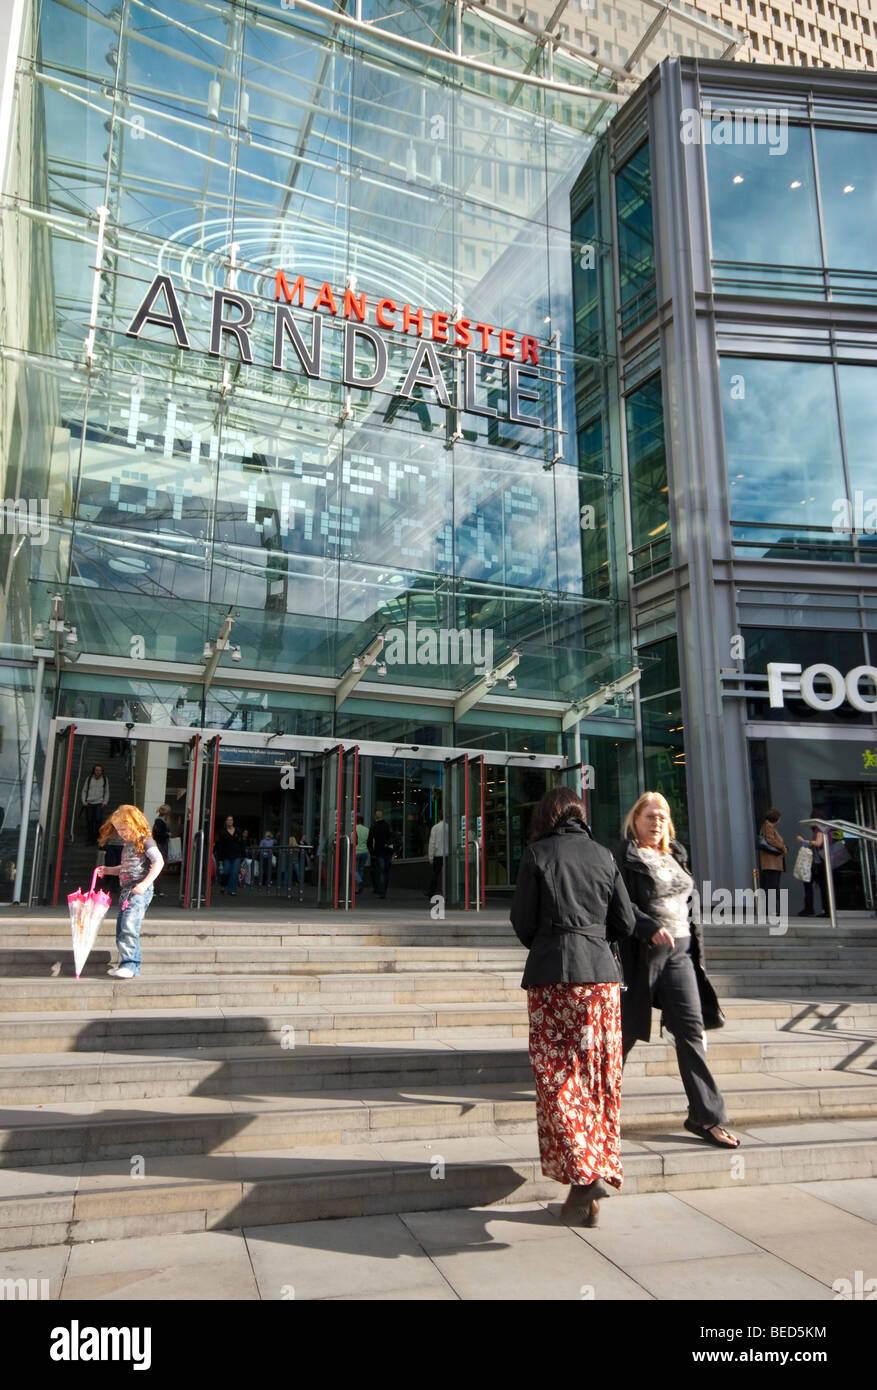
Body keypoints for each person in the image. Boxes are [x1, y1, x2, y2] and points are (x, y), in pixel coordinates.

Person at [511, 786, 635, 1228]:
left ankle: (584, 1174)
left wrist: (551, 943)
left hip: (552, 979)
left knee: (555, 1074)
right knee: (597, 1078)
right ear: (580, 815)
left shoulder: (536, 854)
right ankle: (592, 1176)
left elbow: (522, 922)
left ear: (545, 815)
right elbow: (627, 922)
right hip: (601, 981)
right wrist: (593, 941)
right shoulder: (604, 855)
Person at [613, 792, 739, 1150]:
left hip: (681, 950)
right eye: (650, 815)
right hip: (645, 952)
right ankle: (597, 1105)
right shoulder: (623, 855)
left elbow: (688, 902)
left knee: (691, 1030)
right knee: (627, 1030)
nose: (657, 822)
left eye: (663, 816)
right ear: (635, 819)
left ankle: (705, 1116)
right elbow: (618, 902)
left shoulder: (675, 853)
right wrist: (646, 925)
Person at [96, 805, 164, 978]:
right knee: (123, 926)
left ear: (135, 823)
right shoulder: (128, 845)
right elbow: (126, 867)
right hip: (128, 891)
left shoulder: (145, 840)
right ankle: (127, 963)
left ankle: (131, 964)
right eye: (118, 829)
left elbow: (159, 862)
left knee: (129, 924)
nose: (121, 833)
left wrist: (145, 884)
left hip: (139, 890)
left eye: (124, 829)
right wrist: (109, 870)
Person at [797, 822, 828, 916]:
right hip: (823, 863)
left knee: (809, 885)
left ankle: (810, 909)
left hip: (819, 864)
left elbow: (818, 843)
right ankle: (826, 909)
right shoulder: (829, 830)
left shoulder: (820, 830)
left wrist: (804, 841)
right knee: (824, 887)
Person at [758, 807, 786, 896]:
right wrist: (782, 847)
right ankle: (772, 908)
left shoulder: (768, 826)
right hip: (771, 862)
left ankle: (773, 908)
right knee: (772, 886)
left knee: (773, 886)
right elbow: (770, 840)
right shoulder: (769, 826)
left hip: (772, 862)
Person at [367, 810, 394, 900]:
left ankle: (381, 892)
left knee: (381, 871)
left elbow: (369, 841)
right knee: (386, 871)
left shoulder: (374, 827)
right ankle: (384, 890)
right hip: (388, 851)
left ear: (375, 817)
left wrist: (371, 852)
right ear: (382, 816)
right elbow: (391, 836)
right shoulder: (387, 825)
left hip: (379, 852)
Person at [81, 764, 109, 845]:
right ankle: (90, 837)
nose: (98, 772)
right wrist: (84, 801)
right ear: (94, 770)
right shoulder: (89, 779)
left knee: (98, 821)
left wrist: (105, 802)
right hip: (89, 803)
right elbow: (84, 790)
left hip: (99, 803)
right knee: (89, 821)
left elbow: (107, 791)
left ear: (102, 771)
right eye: (96, 770)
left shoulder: (104, 779)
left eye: (100, 770)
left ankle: (96, 838)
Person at [216, 815, 243, 896]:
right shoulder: (222, 832)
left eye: (231, 820)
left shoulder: (238, 830)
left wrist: (243, 856)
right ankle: (223, 885)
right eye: (228, 820)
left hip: (237, 855)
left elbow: (242, 843)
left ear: (233, 821)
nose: (230, 821)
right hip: (226, 855)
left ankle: (232, 890)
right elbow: (220, 845)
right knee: (226, 872)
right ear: (226, 822)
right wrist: (220, 859)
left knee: (234, 873)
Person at [151, 804, 171, 899]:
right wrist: (167, 834)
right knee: (159, 868)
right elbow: (159, 835)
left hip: (159, 845)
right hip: (161, 846)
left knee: (158, 868)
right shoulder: (161, 822)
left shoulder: (158, 821)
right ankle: (156, 889)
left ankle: (156, 889)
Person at [428, 817, 448, 897]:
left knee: (435, 874)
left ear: (438, 818)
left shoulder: (435, 827)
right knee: (447, 874)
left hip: (438, 854)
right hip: (448, 854)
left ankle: (431, 892)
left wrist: (430, 856)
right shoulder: (449, 827)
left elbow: (432, 842)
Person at [354, 819, 369, 891]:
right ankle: (358, 888)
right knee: (361, 869)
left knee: (354, 870)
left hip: (356, 851)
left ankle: (360, 882)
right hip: (365, 851)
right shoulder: (367, 829)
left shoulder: (353, 829)